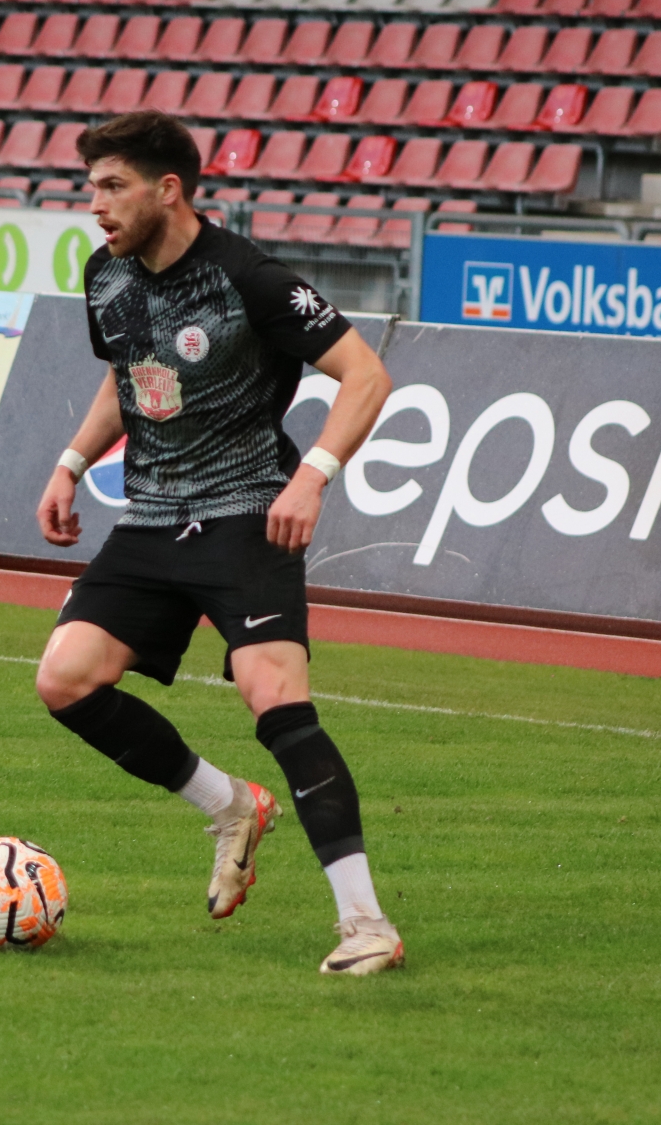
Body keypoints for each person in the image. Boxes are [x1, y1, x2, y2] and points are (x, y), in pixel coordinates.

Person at [34, 111, 402, 976]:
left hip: (246, 512)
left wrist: (313, 476)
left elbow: (366, 373)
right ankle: (229, 805)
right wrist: (71, 462)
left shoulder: (250, 278)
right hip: (152, 516)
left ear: (169, 190)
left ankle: (366, 924)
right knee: (65, 678)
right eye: (91, 187)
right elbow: (129, 377)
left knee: (274, 698)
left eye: (113, 186)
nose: (96, 205)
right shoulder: (106, 275)